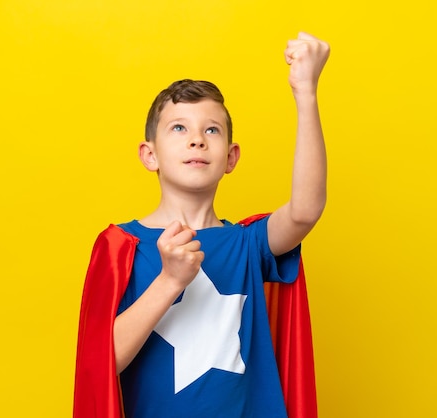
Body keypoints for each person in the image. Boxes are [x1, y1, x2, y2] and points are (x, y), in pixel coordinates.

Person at [74, 32, 330, 418]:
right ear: (149, 155)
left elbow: (305, 211)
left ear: (230, 157)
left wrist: (306, 93)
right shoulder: (120, 246)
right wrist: (170, 281)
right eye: (178, 128)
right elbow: (99, 363)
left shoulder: (248, 244)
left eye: (211, 130)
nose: (196, 140)